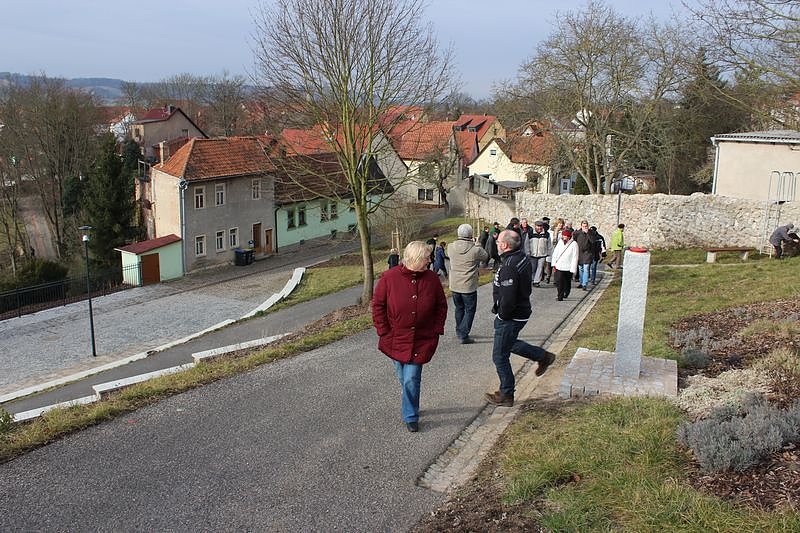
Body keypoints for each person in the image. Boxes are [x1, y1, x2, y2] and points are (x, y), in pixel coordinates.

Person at [372, 241, 447, 432]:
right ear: (415, 259)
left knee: (411, 378)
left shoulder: (432, 279)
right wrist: (383, 330)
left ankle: (411, 415)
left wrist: (436, 329)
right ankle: (410, 400)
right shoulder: (389, 278)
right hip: (395, 338)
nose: (429, 261)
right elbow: (378, 306)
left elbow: (441, 305)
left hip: (422, 339)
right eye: (426, 258)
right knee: (403, 377)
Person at [485, 230, 557, 407]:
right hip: (520, 311)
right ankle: (543, 356)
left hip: (512, 316)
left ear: (505, 245)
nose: (496, 242)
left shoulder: (510, 264)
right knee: (508, 343)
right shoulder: (521, 256)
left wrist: (502, 315)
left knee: (499, 355)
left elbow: (508, 299)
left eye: (498, 240)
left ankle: (506, 393)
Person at [448, 224, 488, 344]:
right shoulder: (475, 249)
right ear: (470, 235)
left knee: (459, 308)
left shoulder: (450, 247)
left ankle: (459, 330)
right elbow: (485, 257)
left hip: (454, 284)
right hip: (468, 285)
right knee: (470, 310)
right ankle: (463, 334)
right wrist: (478, 244)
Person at [551, 229, 579, 301]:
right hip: (559, 265)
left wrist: (573, 269)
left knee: (567, 281)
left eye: (566, 236)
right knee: (559, 281)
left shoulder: (574, 244)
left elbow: (575, 257)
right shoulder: (560, 242)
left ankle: (566, 292)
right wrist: (554, 263)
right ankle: (560, 295)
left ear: (569, 237)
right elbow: (555, 253)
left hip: (568, 266)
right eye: (563, 236)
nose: (564, 237)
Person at [572, 220, 596, 290]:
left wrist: (588, 233)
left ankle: (584, 284)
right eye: (583, 226)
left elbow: (593, 241)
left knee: (586, 268)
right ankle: (581, 282)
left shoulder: (591, 233)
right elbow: (574, 238)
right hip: (579, 253)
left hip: (587, 253)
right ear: (581, 226)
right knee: (581, 268)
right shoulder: (578, 233)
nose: (585, 228)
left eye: (586, 226)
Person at [528, 220, 552, 287]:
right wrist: (527, 252)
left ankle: (536, 281)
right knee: (533, 268)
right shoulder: (530, 233)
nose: (539, 228)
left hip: (542, 254)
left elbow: (549, 244)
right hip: (533, 254)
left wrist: (549, 253)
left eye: (540, 226)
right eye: (538, 226)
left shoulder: (546, 234)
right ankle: (532, 279)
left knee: (540, 267)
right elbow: (527, 243)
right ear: (535, 226)